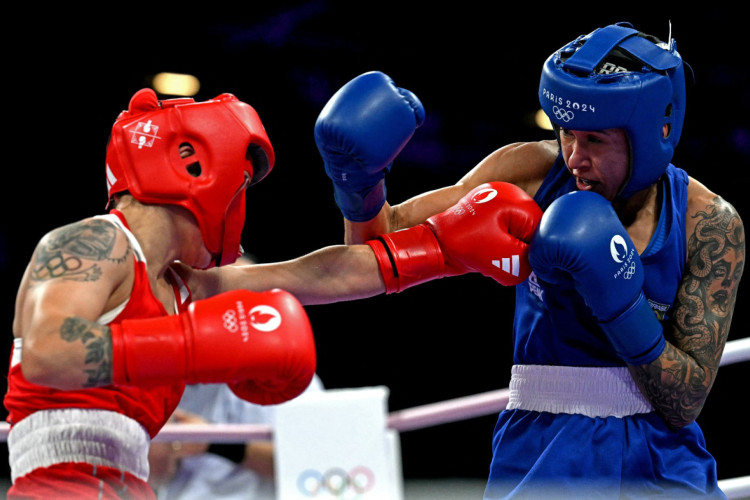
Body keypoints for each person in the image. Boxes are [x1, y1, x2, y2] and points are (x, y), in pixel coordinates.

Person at [6, 84, 542, 498]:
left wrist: (440, 252)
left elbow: (323, 275)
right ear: (192, 167)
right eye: (240, 186)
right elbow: (49, 352)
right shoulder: (95, 242)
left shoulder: (182, 285)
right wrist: (200, 348)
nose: (240, 207)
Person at [313, 23, 745, 499]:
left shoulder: (708, 224)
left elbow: (685, 401)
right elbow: (377, 250)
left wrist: (621, 303)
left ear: (655, 133)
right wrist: (358, 188)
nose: (574, 158)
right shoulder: (532, 173)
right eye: (566, 134)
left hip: (665, 458)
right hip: (545, 443)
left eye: (595, 141)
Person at [147, 374, 324, 500]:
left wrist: (214, 443)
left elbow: (314, 469)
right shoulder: (162, 374)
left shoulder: (293, 378)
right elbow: (154, 476)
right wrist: (158, 455)